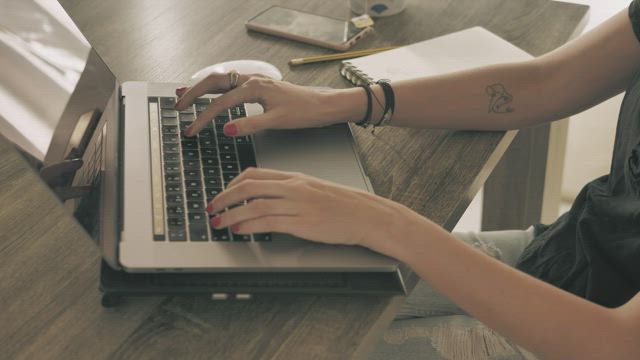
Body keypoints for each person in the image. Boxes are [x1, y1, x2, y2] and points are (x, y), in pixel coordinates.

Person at [174, 3, 640, 359]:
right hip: (569, 256)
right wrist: (342, 102)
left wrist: (385, 221)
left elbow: (618, 343)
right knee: (274, 289)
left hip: (591, 336)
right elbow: (546, 84)